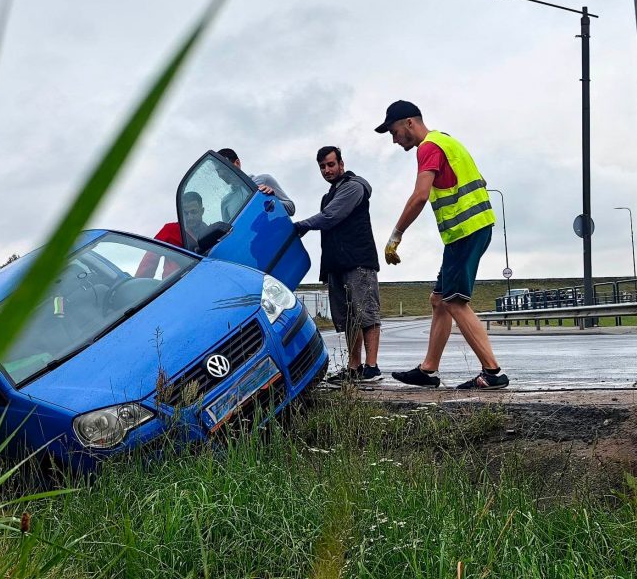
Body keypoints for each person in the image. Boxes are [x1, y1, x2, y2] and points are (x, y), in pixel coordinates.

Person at [376, 100, 509, 390]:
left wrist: (395, 235)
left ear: (410, 123)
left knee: (455, 302)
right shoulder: (446, 141)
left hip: (466, 229)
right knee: (439, 300)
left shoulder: (429, 148)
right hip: (468, 229)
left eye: (394, 131)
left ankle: (493, 373)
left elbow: (420, 195)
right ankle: (428, 371)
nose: (394, 139)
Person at [295, 146, 382, 384]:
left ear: (341, 164)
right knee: (348, 318)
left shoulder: (353, 187)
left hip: (358, 261)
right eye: (322, 166)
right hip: (337, 264)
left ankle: (372, 368)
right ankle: (354, 367)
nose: (327, 170)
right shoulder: (328, 195)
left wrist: (301, 226)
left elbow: (331, 216)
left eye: (330, 165)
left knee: (366, 313)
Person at [217, 148, 296, 217]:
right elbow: (230, 232)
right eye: (218, 171)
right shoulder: (225, 202)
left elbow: (291, 208)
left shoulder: (264, 180)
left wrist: (272, 200)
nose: (220, 174)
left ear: (237, 163)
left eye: (223, 168)